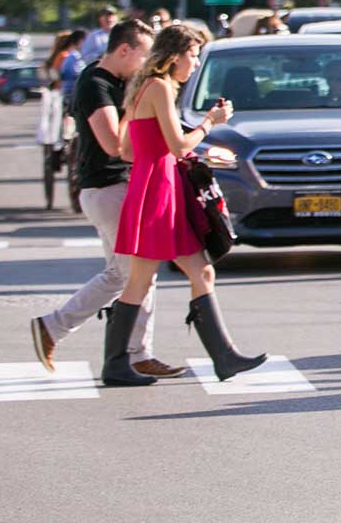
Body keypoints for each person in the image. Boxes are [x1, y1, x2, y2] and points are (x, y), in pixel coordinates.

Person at [106, 24, 264, 385]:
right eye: (193, 55)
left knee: (195, 272)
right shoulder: (159, 87)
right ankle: (115, 363)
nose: (195, 63)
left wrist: (156, 154)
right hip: (158, 190)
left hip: (154, 186)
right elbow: (178, 146)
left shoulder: (142, 87)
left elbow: (127, 150)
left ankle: (224, 357)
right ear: (174, 55)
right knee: (141, 281)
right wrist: (210, 122)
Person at [30, 20, 181, 378]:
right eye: (143, 55)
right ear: (124, 50)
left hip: (118, 188)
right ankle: (135, 354)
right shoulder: (95, 84)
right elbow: (114, 145)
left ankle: (54, 327)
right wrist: (137, 103)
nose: (147, 64)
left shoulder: (120, 82)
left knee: (120, 274)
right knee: (138, 274)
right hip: (108, 188)